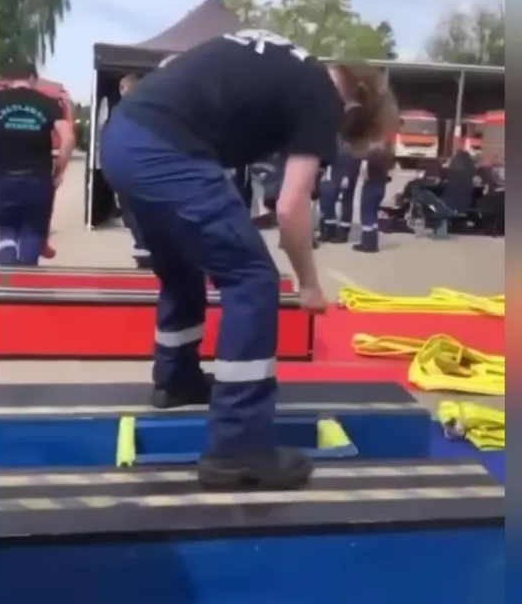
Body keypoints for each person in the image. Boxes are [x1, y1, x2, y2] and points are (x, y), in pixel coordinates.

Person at [100, 29, 399, 490]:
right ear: (355, 107)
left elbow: (174, 70)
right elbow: (291, 207)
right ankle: (237, 447)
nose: (333, 138)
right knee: (253, 279)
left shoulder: (279, 60)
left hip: (122, 137)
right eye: (343, 133)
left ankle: (176, 379)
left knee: (182, 268)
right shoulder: (323, 95)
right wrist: (308, 283)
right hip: (164, 150)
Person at [0, 64, 73, 266]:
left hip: (2, 178)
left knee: (6, 226)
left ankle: (7, 275)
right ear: (32, 78)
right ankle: (27, 274)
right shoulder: (48, 102)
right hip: (38, 178)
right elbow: (67, 137)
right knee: (33, 227)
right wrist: (59, 170)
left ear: (10, 79)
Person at [115, 73, 152, 268]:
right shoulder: (153, 108)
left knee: (129, 209)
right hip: (150, 167)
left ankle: (144, 247)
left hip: (129, 167)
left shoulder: (122, 110)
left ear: (124, 88)